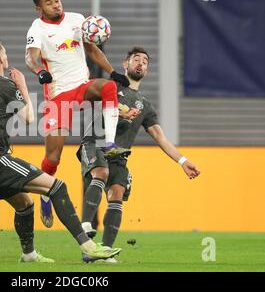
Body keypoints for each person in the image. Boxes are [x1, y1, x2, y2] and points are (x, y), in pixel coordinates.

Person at [0, 35, 122, 263]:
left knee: (24, 204)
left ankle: (28, 254)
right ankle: (88, 247)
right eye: (5, 52)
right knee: (58, 187)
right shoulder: (6, 85)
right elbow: (28, 118)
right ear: (1, 58)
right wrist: (22, 85)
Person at [78, 47, 201, 262]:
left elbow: (160, 137)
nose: (141, 63)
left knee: (117, 193)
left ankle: (104, 252)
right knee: (101, 173)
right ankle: (85, 223)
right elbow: (89, 104)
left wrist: (182, 161)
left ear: (147, 70)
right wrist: (120, 112)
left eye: (145, 61)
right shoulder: (110, 87)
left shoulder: (145, 105)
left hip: (119, 155)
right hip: (95, 144)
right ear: (125, 64)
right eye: (136, 59)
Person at [25, 0, 130, 228]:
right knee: (53, 157)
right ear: (39, 8)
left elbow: (91, 48)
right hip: (58, 95)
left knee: (109, 88)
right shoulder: (37, 28)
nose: (56, 4)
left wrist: (112, 71)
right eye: (49, 2)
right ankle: (44, 194)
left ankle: (110, 143)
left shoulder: (76, 20)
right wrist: (40, 71)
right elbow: (31, 57)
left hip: (82, 86)